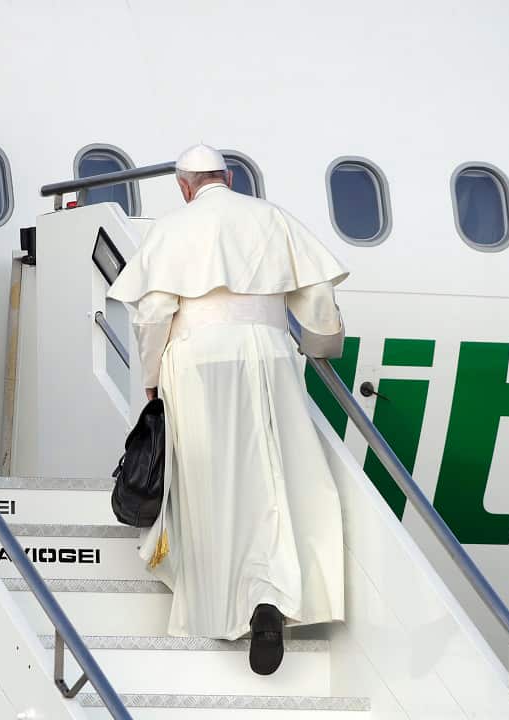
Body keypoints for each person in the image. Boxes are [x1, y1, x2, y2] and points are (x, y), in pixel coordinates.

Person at [108, 144, 347, 676]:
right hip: (268, 354)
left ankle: (213, 608)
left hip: (195, 360)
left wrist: (150, 380)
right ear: (229, 177)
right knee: (274, 480)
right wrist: (326, 342)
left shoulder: (171, 229)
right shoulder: (271, 219)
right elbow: (318, 294)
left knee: (207, 484)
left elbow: (152, 315)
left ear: (184, 185)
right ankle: (270, 593)